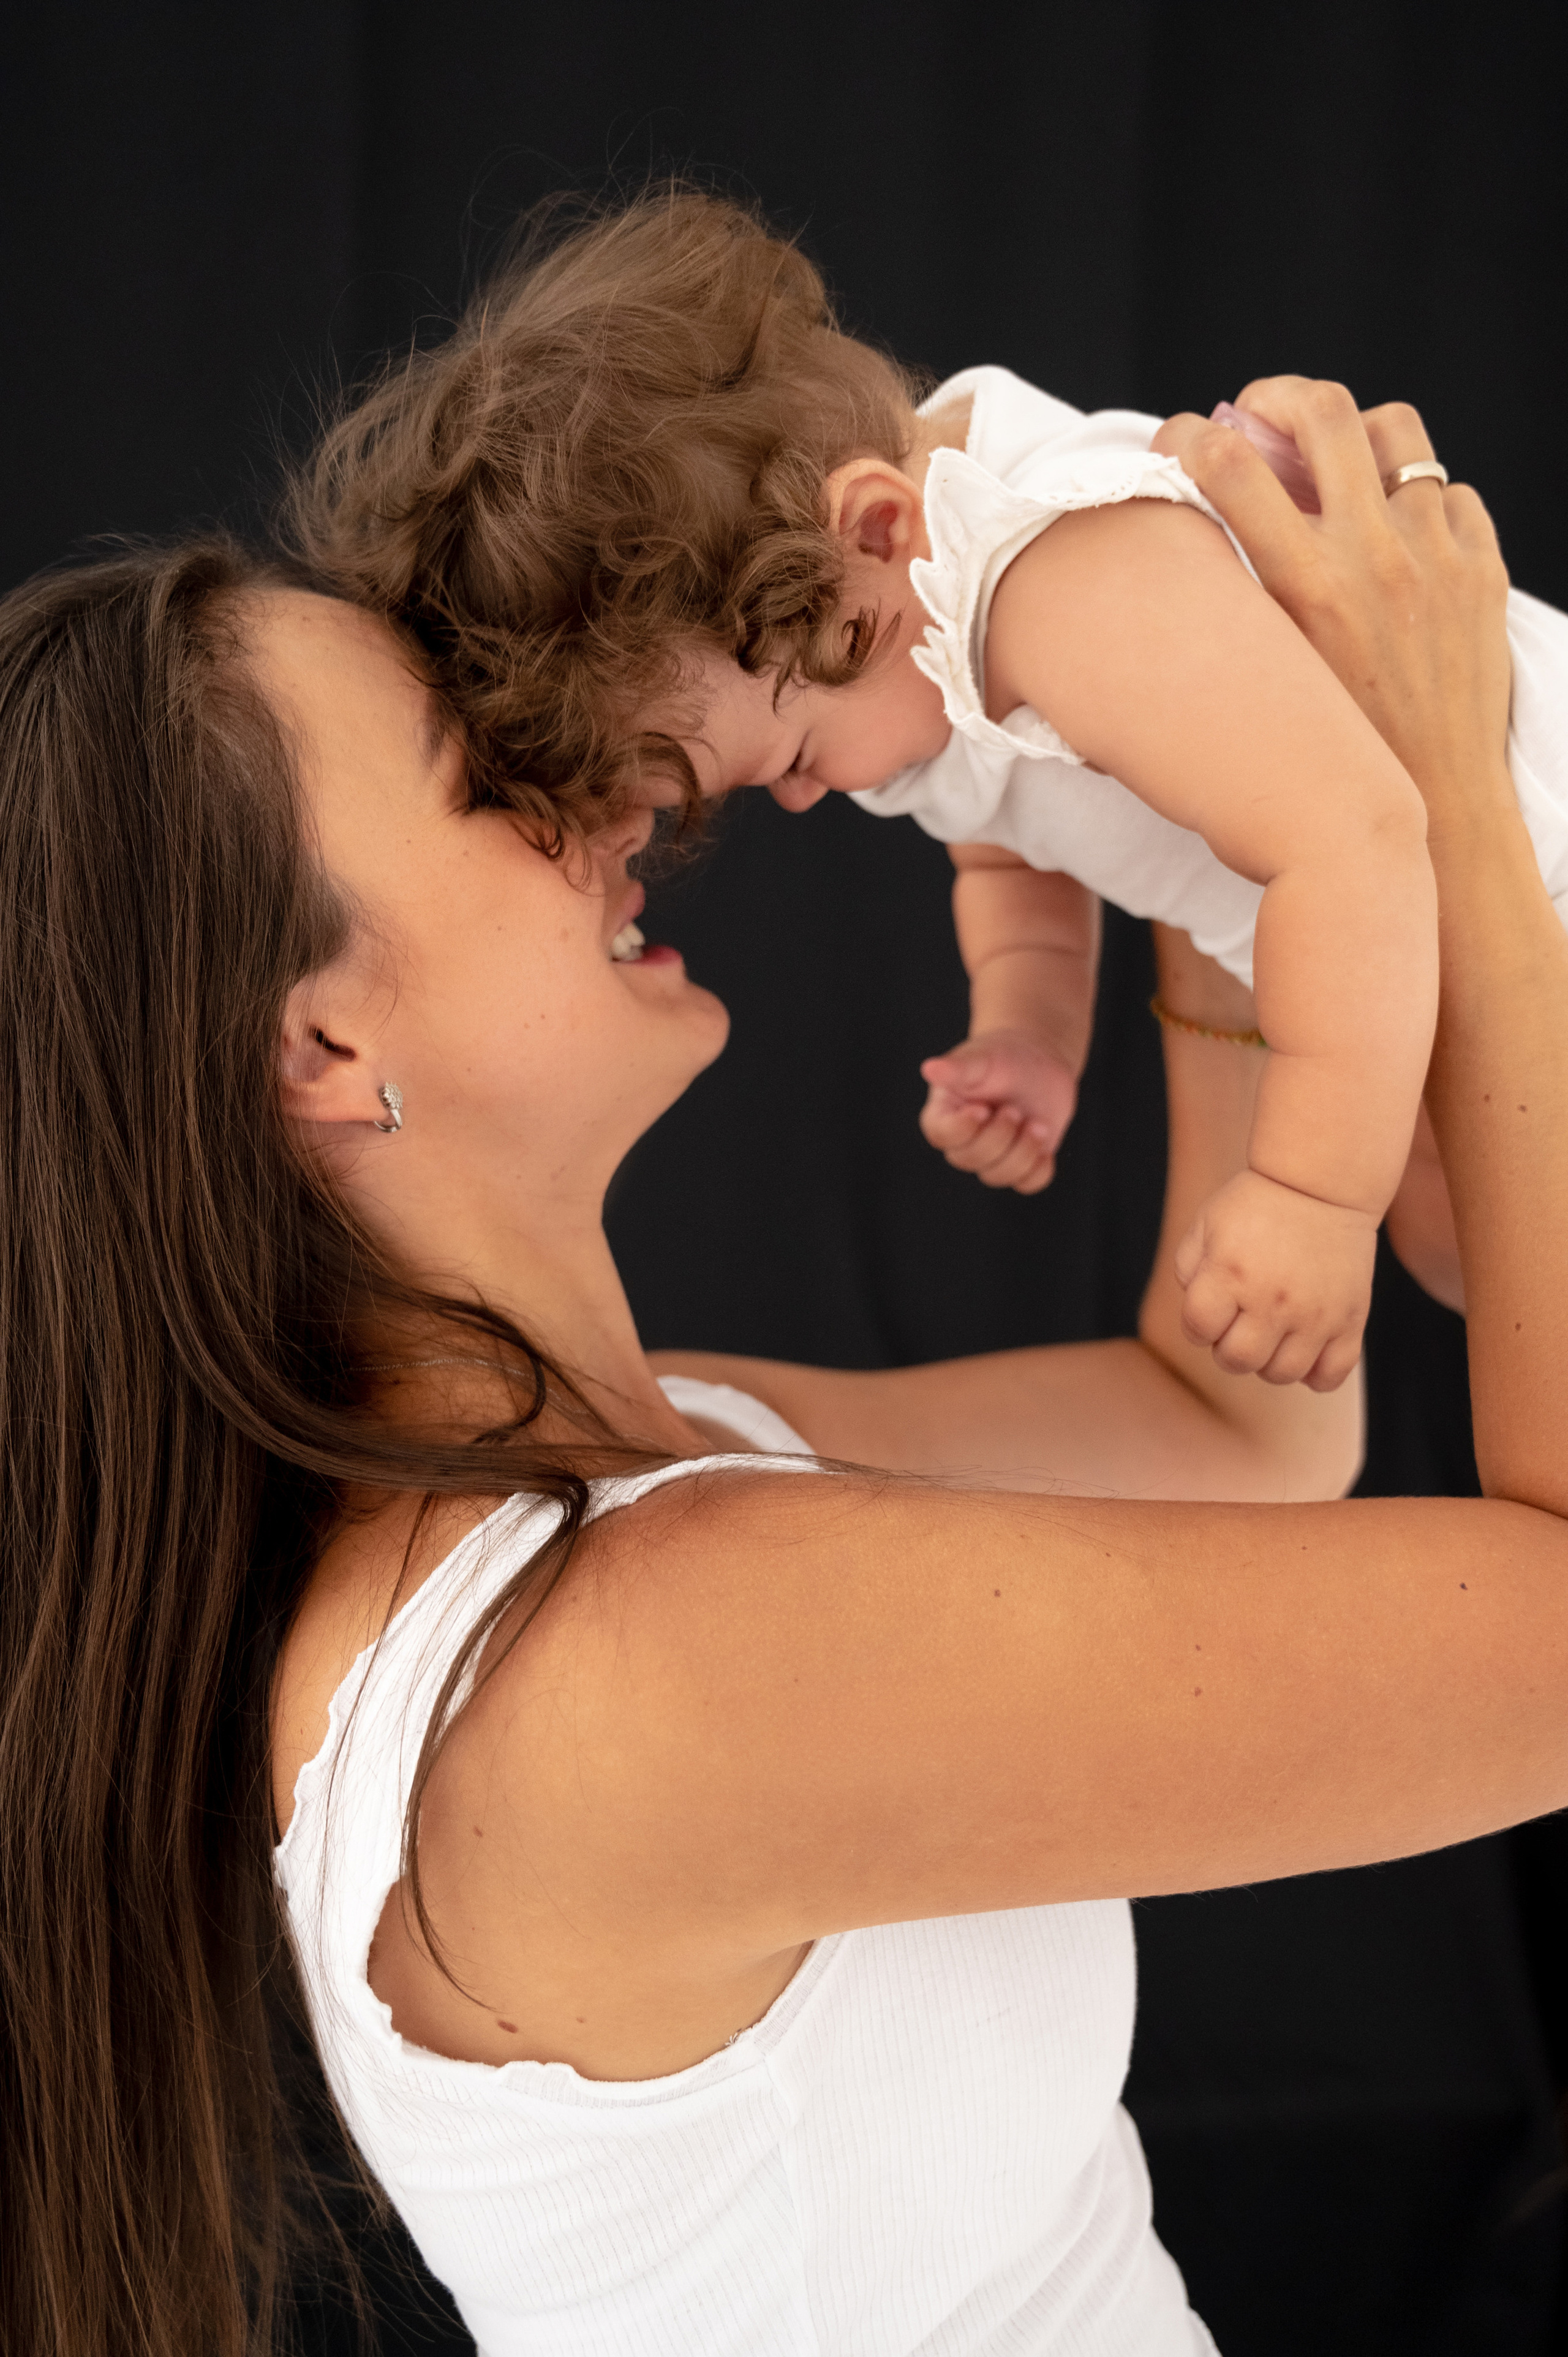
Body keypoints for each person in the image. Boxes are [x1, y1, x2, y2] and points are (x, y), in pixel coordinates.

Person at [1, 375, 1562, 2357]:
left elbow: (1233, 1424)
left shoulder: (656, 1475)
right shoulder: (643, 1653)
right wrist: (1435, 802)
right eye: (488, 767)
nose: (600, 778)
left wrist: (1226, 802)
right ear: (317, 1053)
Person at [294, 190, 1568, 1387]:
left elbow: (1349, 840)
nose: (802, 801)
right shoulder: (902, 643)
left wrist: (1304, 1195)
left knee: (1446, 1229)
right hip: (1432, 923)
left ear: (875, 530)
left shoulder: (1056, 579)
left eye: (792, 759)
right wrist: (1028, 1021)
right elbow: (1012, 831)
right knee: (1461, 1239)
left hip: (1519, 855)